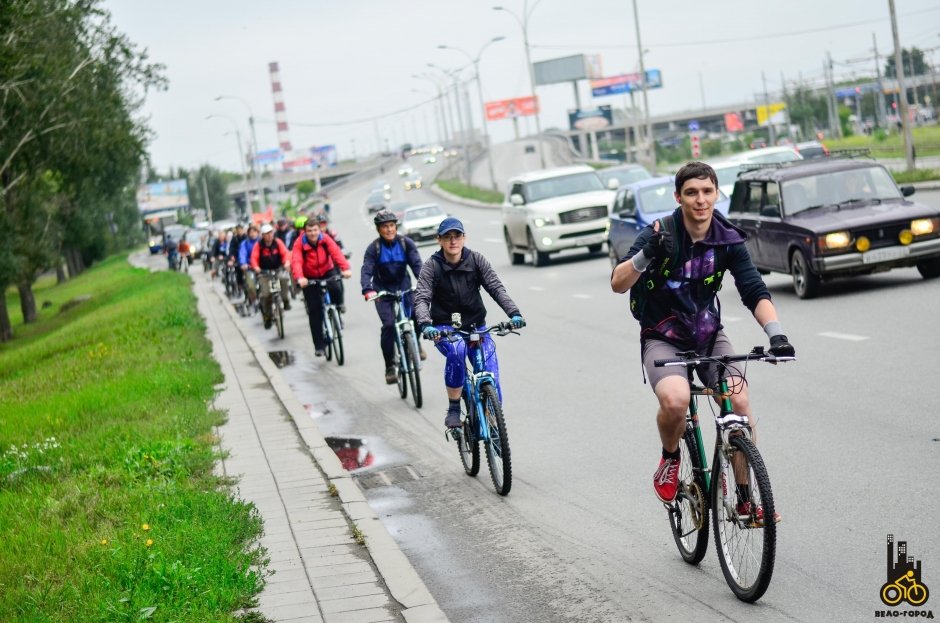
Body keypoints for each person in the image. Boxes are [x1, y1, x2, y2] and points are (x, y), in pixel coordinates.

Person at [610, 161, 795, 512]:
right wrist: (647, 253)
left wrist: (778, 335)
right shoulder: (658, 232)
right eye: (691, 193)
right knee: (676, 400)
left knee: (739, 403)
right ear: (678, 196)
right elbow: (618, 283)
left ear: (716, 194)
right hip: (662, 337)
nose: (700, 200)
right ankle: (669, 458)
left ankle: (743, 498)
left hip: (708, 336)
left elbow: (754, 290)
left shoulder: (728, 240)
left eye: (707, 191)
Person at [414, 217, 526, 429]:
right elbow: (421, 298)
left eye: (457, 236)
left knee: (491, 372)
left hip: (477, 327)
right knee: (456, 351)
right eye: (447, 237)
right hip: (445, 329)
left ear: (464, 238)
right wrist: (426, 324)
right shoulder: (432, 266)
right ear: (439, 240)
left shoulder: (476, 260)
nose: (453, 241)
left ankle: (492, 422)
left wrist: (514, 314)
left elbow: (496, 288)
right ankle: (455, 407)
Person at [361, 210, 425, 385]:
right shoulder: (374, 248)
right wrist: (367, 289)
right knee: (389, 325)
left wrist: (425, 283)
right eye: (384, 226)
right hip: (382, 291)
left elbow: (417, 266)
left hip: (404, 287)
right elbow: (366, 269)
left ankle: (415, 344)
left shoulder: (406, 243)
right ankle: (390, 365)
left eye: (391, 225)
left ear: (396, 226)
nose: (389, 229)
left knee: (418, 315)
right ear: (378, 229)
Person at [291, 217, 352, 356]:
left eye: (315, 230)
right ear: (304, 231)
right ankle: (319, 345)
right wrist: (300, 277)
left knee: (337, 288)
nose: (312, 233)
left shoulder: (325, 239)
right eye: (309, 231)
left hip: (326, 270)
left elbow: (336, 253)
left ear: (319, 230)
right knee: (315, 310)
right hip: (309, 277)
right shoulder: (299, 243)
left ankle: (336, 310)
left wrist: (345, 269)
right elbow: (296, 261)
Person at [250, 223, 292, 328]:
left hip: (277, 270)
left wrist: (286, 262)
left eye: (270, 233)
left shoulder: (277, 242)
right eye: (266, 234)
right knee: (266, 295)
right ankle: (268, 317)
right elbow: (254, 258)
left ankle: (286, 301)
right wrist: (256, 267)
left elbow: (285, 253)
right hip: (264, 273)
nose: (269, 236)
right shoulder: (258, 245)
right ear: (262, 235)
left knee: (284, 279)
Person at [238, 224, 261, 308]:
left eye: (254, 232)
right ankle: (254, 300)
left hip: (262, 267)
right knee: (251, 286)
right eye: (251, 232)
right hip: (250, 268)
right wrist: (243, 263)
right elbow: (242, 254)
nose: (253, 234)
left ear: (257, 233)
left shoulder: (261, 242)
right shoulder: (245, 243)